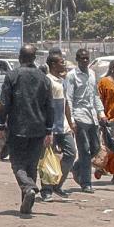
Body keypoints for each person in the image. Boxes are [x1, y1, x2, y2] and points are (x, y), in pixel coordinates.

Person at [0, 44, 54, 215]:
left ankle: (28, 188)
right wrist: (49, 129)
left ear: (20, 57)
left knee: (17, 164)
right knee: (31, 166)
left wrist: (0, 125)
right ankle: (26, 204)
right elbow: (50, 106)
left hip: (18, 128)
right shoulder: (44, 78)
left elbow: (4, 103)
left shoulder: (12, 76)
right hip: (39, 128)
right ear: (34, 58)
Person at [65, 49, 103, 193]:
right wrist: (72, 120)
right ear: (77, 59)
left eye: (87, 58)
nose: (85, 61)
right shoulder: (72, 76)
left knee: (95, 148)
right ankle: (86, 182)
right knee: (85, 150)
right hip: (79, 116)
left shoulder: (92, 74)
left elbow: (96, 96)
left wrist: (101, 113)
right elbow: (68, 98)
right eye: (82, 58)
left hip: (92, 116)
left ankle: (76, 167)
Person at [41, 50, 77, 200]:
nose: (64, 65)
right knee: (48, 158)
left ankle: (57, 184)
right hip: (50, 126)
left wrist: (71, 122)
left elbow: (66, 104)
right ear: (53, 64)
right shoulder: (47, 81)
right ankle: (46, 189)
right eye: (62, 62)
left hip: (63, 125)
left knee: (71, 153)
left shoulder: (62, 81)